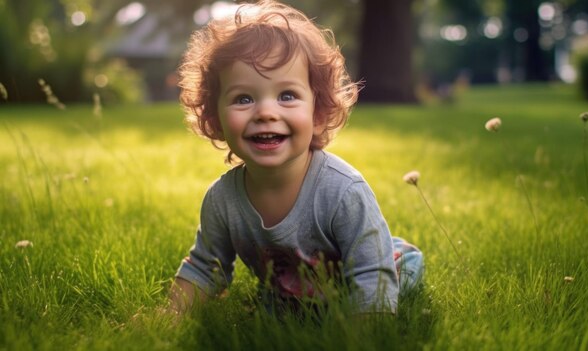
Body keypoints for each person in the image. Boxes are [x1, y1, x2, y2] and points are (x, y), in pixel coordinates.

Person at [170, 0, 423, 316]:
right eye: (243, 98)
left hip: (379, 263)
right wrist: (169, 318)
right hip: (298, 286)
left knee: (380, 280)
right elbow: (207, 268)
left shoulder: (342, 190)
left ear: (317, 112)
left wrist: (365, 332)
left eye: (286, 96)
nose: (265, 112)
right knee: (281, 310)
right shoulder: (223, 201)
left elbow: (372, 271)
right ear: (215, 117)